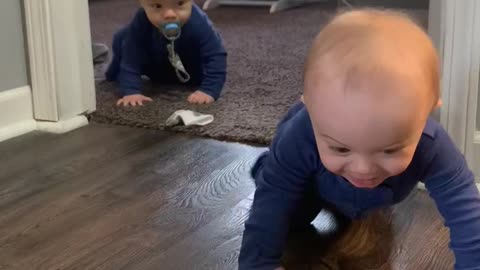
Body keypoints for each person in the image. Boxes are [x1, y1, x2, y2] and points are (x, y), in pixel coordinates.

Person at [238, 9, 480, 270]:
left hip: (363, 195)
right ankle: (268, 165)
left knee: (361, 208)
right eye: (341, 148)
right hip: (311, 182)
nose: (363, 168)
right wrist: (258, 264)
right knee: (293, 216)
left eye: (389, 150)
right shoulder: (300, 135)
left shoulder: (432, 145)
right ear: (309, 108)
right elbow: (271, 201)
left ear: (427, 111)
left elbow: (465, 212)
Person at [105, 0, 227, 106]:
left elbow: (216, 54)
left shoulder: (199, 22)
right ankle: (114, 72)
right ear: (142, 3)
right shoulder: (141, 20)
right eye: (158, 6)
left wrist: (209, 90)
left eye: (180, 3)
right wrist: (131, 91)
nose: (170, 14)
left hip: (191, 74)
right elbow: (130, 56)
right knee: (122, 36)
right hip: (156, 70)